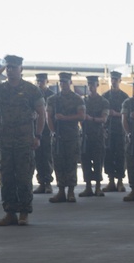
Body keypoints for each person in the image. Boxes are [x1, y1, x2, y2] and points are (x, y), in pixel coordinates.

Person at [0, 55, 46, 226]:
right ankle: (10, 212)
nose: (10, 70)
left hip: (24, 140)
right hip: (4, 142)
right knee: (7, 178)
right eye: (8, 67)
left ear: (21, 69)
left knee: (24, 177)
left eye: (13, 67)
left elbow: (42, 114)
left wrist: (38, 135)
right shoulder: (0, 89)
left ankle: (24, 212)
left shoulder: (31, 90)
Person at [47, 72, 85, 203]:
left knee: (71, 163)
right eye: (61, 82)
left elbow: (81, 116)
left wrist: (65, 118)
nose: (63, 84)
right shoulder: (53, 99)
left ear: (70, 82)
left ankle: (71, 191)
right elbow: (49, 117)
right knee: (58, 163)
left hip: (71, 136)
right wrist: (53, 132)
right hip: (58, 136)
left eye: (65, 82)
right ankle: (61, 190)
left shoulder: (77, 99)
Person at [78, 75, 109, 197]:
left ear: (97, 85)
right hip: (86, 135)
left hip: (97, 135)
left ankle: (97, 187)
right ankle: (88, 187)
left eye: (93, 84)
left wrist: (91, 119)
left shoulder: (103, 102)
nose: (91, 87)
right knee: (85, 161)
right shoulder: (83, 101)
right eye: (89, 84)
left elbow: (104, 119)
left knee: (97, 161)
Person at [102, 70, 129, 192]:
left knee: (121, 155)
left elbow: (127, 115)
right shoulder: (105, 96)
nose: (113, 81)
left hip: (120, 130)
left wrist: (117, 114)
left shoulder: (124, 97)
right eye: (112, 79)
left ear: (120, 81)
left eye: (116, 79)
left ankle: (120, 181)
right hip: (108, 131)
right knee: (108, 155)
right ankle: (111, 180)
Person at [32, 72, 55, 194]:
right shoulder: (33, 95)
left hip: (46, 131)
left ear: (47, 81)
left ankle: (48, 183)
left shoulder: (51, 96)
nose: (40, 83)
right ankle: (41, 182)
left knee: (46, 156)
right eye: (38, 81)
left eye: (42, 81)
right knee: (37, 157)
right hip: (35, 129)